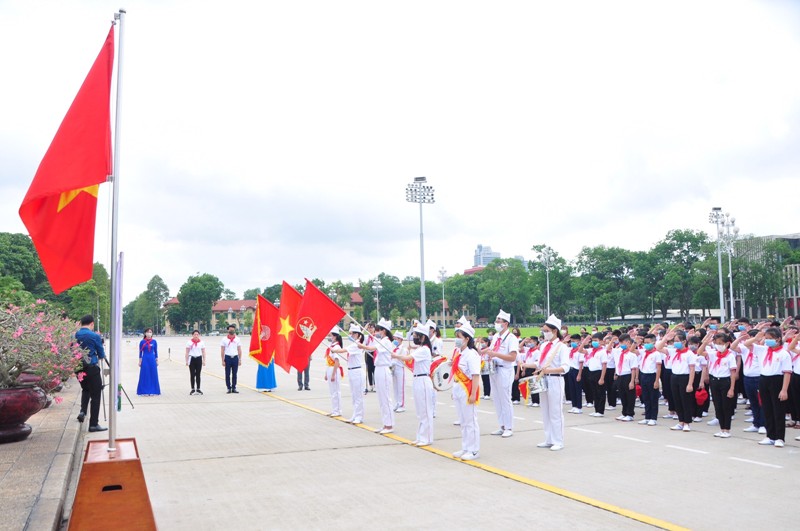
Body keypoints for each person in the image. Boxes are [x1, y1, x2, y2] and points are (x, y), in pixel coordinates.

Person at [741, 325, 792, 447]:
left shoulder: (784, 353)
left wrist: (784, 389)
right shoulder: (762, 350)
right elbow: (746, 345)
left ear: (778, 339)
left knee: (778, 410)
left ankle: (780, 437)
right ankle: (770, 436)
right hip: (763, 379)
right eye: (766, 337)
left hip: (777, 380)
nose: (768, 340)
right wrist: (756, 338)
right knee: (767, 408)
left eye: (770, 338)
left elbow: (787, 373)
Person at [526, 314, 570, 451]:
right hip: (543, 379)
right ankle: (549, 438)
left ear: (554, 331)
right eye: (543, 331)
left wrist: (549, 369)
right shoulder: (544, 345)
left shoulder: (561, 347)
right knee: (545, 410)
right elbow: (539, 363)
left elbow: (565, 367)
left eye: (546, 330)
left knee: (555, 411)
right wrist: (526, 365)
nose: (544, 333)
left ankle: (558, 440)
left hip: (555, 379)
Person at [392, 323, 435, 446]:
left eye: (416, 335)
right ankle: (421, 436)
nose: (414, 337)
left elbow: (407, 358)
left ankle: (427, 438)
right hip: (417, 380)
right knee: (420, 411)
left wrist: (395, 355)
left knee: (426, 411)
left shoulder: (424, 350)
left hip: (423, 381)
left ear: (422, 337)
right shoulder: (421, 349)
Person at [480, 310, 518, 438]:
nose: (496, 323)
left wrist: (495, 354)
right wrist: (483, 351)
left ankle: (509, 427)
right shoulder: (496, 336)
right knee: (496, 398)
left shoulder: (511, 338)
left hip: (505, 369)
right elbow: (492, 350)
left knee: (505, 398)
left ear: (506, 323)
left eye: (499, 321)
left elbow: (512, 357)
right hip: (494, 369)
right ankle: (501, 425)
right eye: (496, 320)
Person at [451, 323, 481, 461]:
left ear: (467, 339)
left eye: (459, 337)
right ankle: (465, 447)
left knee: (470, 421)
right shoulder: (459, 353)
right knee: (463, 421)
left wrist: (473, 393)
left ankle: (474, 450)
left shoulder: (472, 354)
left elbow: (475, 375)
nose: (457, 339)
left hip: (467, 389)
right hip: (458, 388)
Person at [658, 329, 696, 432]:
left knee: (685, 400)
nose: (675, 343)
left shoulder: (689, 354)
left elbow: (692, 369)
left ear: (684, 342)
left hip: (685, 377)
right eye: (674, 341)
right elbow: (658, 347)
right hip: (674, 377)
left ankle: (687, 422)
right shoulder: (672, 351)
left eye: (677, 341)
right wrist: (666, 338)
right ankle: (680, 421)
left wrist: (690, 384)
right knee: (677, 400)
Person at [75, 314, 107, 432]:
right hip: (92, 368)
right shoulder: (94, 335)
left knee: (85, 389)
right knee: (96, 395)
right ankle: (93, 423)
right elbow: (101, 354)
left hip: (78, 367)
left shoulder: (75, 335)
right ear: (92, 323)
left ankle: (83, 411)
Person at [703, 331, 738, 438]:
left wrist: (732, 388)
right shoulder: (713, 354)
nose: (718, 345)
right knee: (718, 405)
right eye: (716, 343)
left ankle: (727, 429)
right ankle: (722, 429)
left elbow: (732, 373)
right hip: (714, 381)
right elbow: (700, 352)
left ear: (727, 344)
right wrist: (705, 343)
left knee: (726, 406)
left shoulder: (730, 356)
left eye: (720, 343)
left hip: (725, 381)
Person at [364, 318, 395, 434]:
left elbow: (372, 348)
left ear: (384, 331)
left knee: (386, 398)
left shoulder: (386, 341)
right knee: (381, 399)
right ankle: (385, 423)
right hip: (379, 369)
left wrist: (363, 347)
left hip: (384, 369)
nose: (377, 332)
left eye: (379, 330)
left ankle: (390, 425)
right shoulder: (381, 340)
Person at [732, 329, 766, 435]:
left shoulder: (763, 349)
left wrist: (757, 339)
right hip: (748, 378)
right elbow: (732, 347)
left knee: (761, 402)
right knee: (753, 402)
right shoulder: (745, 349)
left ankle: (763, 424)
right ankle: (756, 423)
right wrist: (739, 339)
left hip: (759, 378)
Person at [636, 333, 662, 426]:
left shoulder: (656, 354)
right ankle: (647, 417)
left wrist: (656, 380)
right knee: (646, 397)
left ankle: (653, 418)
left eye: (648, 342)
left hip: (652, 376)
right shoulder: (643, 352)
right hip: (644, 375)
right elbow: (631, 350)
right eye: (645, 342)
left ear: (654, 343)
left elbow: (658, 368)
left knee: (653, 398)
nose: (646, 344)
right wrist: (635, 342)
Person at [612, 334, 638, 422]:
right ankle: (624, 413)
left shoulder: (632, 355)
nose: (621, 344)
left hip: (628, 376)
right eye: (620, 342)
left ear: (628, 343)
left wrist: (632, 381)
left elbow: (633, 369)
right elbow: (608, 349)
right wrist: (612, 341)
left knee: (630, 396)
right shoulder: (618, 352)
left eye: (623, 342)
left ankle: (630, 414)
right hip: (620, 376)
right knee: (622, 395)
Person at [345, 324, 367, 424]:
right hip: (351, 371)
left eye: (352, 333)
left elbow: (343, 350)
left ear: (357, 334)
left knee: (358, 396)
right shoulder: (354, 343)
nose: (350, 335)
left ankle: (359, 416)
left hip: (357, 371)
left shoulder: (357, 344)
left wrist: (335, 350)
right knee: (354, 395)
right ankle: (355, 414)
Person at [583, 332, 608, 417]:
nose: (594, 342)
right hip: (591, 373)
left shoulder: (603, 352)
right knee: (594, 392)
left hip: (599, 372)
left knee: (600, 392)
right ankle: (596, 409)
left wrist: (602, 378)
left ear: (601, 341)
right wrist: (585, 341)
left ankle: (600, 411)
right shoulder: (591, 351)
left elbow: (604, 365)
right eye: (593, 341)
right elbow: (580, 350)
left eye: (596, 341)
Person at [323, 326, 346, 417]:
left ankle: (338, 411)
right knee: (332, 392)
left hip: (334, 370)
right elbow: (328, 361)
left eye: (331, 335)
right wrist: (326, 373)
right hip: (330, 368)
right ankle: (334, 409)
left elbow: (337, 361)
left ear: (335, 336)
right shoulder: (331, 346)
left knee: (336, 391)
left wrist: (333, 374)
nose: (330, 337)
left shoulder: (337, 347)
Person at [136, 328, 160, 396]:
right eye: (148, 332)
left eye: (150, 332)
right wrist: (140, 361)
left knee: (153, 374)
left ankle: (153, 390)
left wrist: (157, 360)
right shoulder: (142, 342)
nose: (149, 333)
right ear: (145, 333)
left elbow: (156, 351)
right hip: (145, 359)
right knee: (145, 374)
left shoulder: (154, 342)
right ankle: (144, 390)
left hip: (152, 359)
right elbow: (140, 352)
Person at [565, 334, 585, 414]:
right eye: (571, 341)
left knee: (577, 389)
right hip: (570, 370)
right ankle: (574, 406)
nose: (572, 343)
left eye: (574, 341)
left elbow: (581, 363)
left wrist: (579, 374)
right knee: (571, 389)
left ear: (579, 342)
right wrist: (565, 341)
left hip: (577, 371)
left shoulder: (580, 351)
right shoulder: (570, 350)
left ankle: (579, 407)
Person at [221, 325, 242, 393]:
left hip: (235, 357)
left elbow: (239, 349)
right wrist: (222, 360)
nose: (231, 330)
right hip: (227, 357)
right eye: (230, 329)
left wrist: (240, 359)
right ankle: (228, 388)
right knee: (227, 374)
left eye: (233, 329)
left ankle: (234, 387)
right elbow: (222, 350)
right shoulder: (224, 339)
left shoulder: (237, 339)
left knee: (234, 374)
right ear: (228, 330)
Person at [185, 329, 206, 395]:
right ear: (192, 335)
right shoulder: (189, 342)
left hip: (198, 358)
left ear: (199, 335)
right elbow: (187, 352)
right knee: (192, 374)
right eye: (195, 334)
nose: (196, 336)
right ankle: (192, 388)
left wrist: (204, 360)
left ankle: (198, 388)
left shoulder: (201, 343)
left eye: (197, 334)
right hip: (192, 358)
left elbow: (203, 352)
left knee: (198, 374)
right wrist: (186, 361)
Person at [391, 332, 407, 413]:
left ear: (400, 339)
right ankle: (397, 402)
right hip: (393, 368)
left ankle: (402, 405)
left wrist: (395, 357)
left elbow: (403, 359)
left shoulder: (403, 349)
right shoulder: (394, 348)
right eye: (394, 339)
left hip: (400, 368)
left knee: (400, 387)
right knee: (395, 387)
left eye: (396, 339)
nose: (395, 340)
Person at [364, 322, 376, 394]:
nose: (370, 329)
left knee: (375, 369)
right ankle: (370, 385)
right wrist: (364, 328)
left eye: (371, 327)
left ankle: (375, 385)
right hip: (368, 353)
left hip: (374, 353)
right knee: (369, 369)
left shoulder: (376, 337)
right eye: (369, 327)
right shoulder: (366, 337)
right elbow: (360, 336)